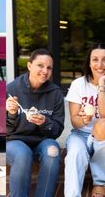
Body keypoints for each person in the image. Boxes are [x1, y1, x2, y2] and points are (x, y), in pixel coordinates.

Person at [64, 43, 105, 197]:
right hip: (80, 135)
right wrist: (83, 120)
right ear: (89, 63)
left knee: (103, 123)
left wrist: (101, 84)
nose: (100, 65)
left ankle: (101, 182)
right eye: (95, 59)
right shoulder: (78, 84)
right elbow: (74, 120)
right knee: (75, 152)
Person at [6, 49, 65, 197]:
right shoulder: (11, 89)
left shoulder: (56, 93)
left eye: (49, 67)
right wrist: (12, 114)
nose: (45, 71)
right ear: (29, 66)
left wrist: (45, 122)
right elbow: (5, 131)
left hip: (42, 140)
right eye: (40, 65)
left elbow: (57, 130)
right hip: (15, 140)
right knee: (23, 154)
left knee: (53, 151)